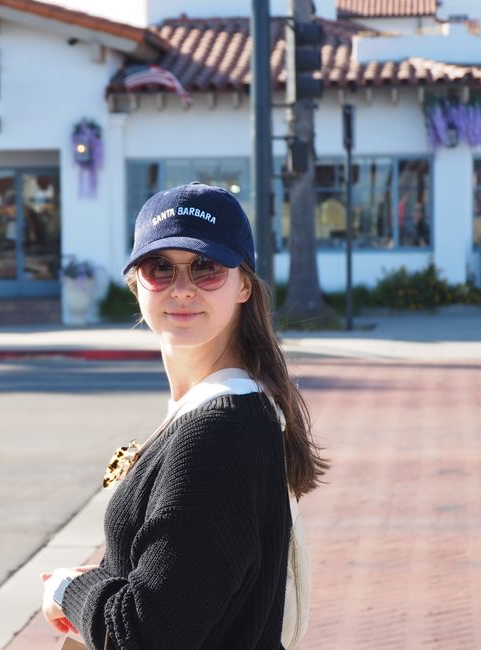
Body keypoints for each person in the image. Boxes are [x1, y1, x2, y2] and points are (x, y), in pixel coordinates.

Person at [41, 182, 328, 649]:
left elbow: (143, 634)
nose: (182, 289)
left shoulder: (221, 432)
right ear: (136, 285)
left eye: (206, 268)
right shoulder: (214, 409)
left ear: (243, 286)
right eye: (160, 268)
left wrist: (67, 591)